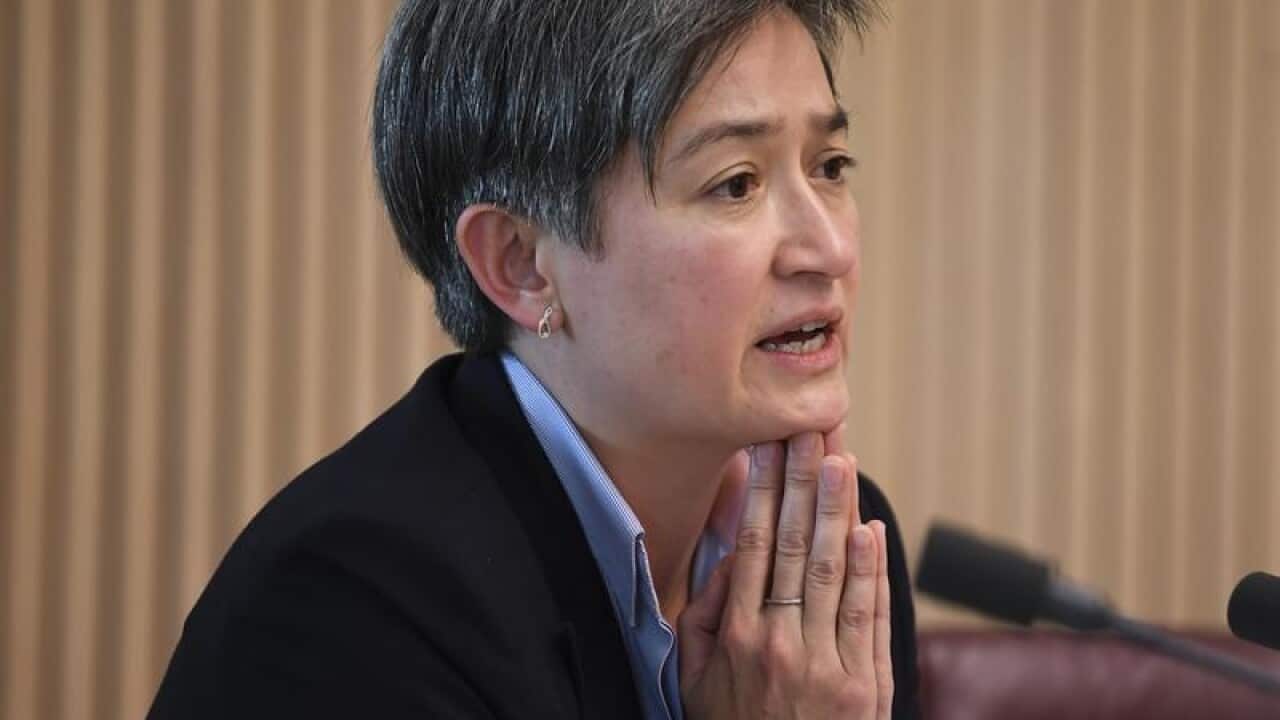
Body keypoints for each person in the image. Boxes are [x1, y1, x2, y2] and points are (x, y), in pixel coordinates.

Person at [149, 0, 920, 718]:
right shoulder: (353, 607)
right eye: (736, 184)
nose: (832, 247)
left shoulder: (826, 553)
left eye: (830, 167)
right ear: (521, 263)